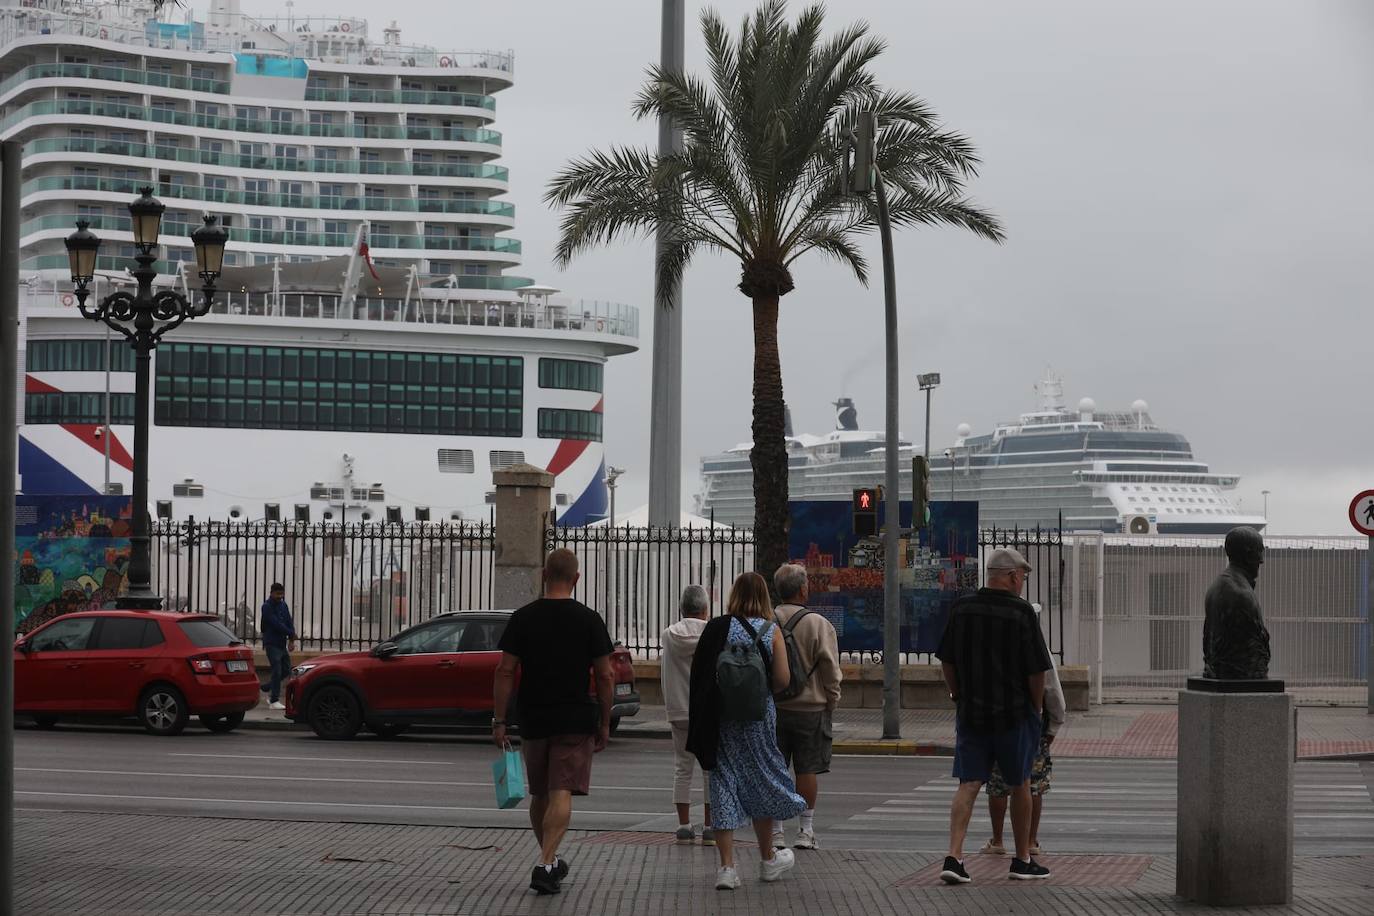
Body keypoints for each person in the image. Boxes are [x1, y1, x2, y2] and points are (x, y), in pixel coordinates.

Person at [492, 549, 614, 896]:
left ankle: (549, 858)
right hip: (575, 717)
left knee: (540, 793)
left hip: (533, 715)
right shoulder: (589, 620)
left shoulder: (523, 618)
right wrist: (605, 720)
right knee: (561, 792)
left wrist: (499, 720)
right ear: (576, 579)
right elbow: (605, 675)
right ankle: (546, 863)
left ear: (544, 574)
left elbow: (504, 670)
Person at [936, 548, 1053, 884]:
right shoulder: (1021, 612)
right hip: (1014, 715)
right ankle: (1021, 859)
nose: (1022, 583)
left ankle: (954, 857)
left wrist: (957, 694)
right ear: (1013, 576)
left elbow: (947, 659)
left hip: (972, 713)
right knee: (1020, 784)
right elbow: (1036, 670)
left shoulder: (962, 608)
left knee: (968, 783)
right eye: (1023, 577)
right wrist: (1036, 708)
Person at [687, 572, 806, 891]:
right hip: (758, 718)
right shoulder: (771, 631)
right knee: (762, 780)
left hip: (723, 718)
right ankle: (768, 860)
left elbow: (700, 674)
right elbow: (782, 679)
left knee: (723, 782)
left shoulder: (718, 628)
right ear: (765, 597)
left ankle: (727, 868)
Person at [980, 605, 1065, 858]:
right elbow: (1053, 691)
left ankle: (997, 840)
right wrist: (1053, 725)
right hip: (1030, 725)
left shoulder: (991, 648)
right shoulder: (1039, 650)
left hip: (996, 723)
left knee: (997, 784)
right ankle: (1030, 841)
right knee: (1033, 785)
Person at [770, 563, 841, 851]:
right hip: (811, 708)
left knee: (774, 769)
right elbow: (830, 669)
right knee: (807, 769)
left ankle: (775, 831)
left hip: (774, 707)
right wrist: (831, 700)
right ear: (802, 589)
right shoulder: (818, 623)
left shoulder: (767, 620)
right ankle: (805, 830)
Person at [661, 584, 713, 844]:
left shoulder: (668, 635)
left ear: (682, 608)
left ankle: (683, 825)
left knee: (682, 768)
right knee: (709, 769)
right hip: (705, 711)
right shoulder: (712, 633)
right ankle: (710, 826)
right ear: (705, 609)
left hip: (678, 709)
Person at [259, 583, 295, 710]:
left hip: (281, 643)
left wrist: (291, 639)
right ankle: (273, 699)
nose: (280, 596)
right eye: (278, 594)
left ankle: (267, 687)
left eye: (282, 594)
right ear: (271, 593)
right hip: (271, 643)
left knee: (286, 669)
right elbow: (276, 624)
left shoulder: (283, 605)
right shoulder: (266, 607)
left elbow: (288, 621)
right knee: (277, 670)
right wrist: (291, 633)